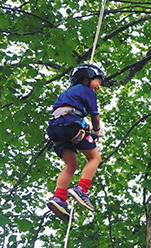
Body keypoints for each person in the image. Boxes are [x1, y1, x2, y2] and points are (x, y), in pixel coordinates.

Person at [46, 64, 106, 221]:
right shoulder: (88, 92)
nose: (99, 87)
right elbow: (95, 117)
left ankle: (59, 197)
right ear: (87, 78)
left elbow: (70, 113)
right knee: (94, 158)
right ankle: (82, 189)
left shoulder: (67, 94)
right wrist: (96, 129)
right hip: (69, 126)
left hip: (55, 129)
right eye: (98, 81)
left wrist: (87, 127)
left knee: (71, 165)